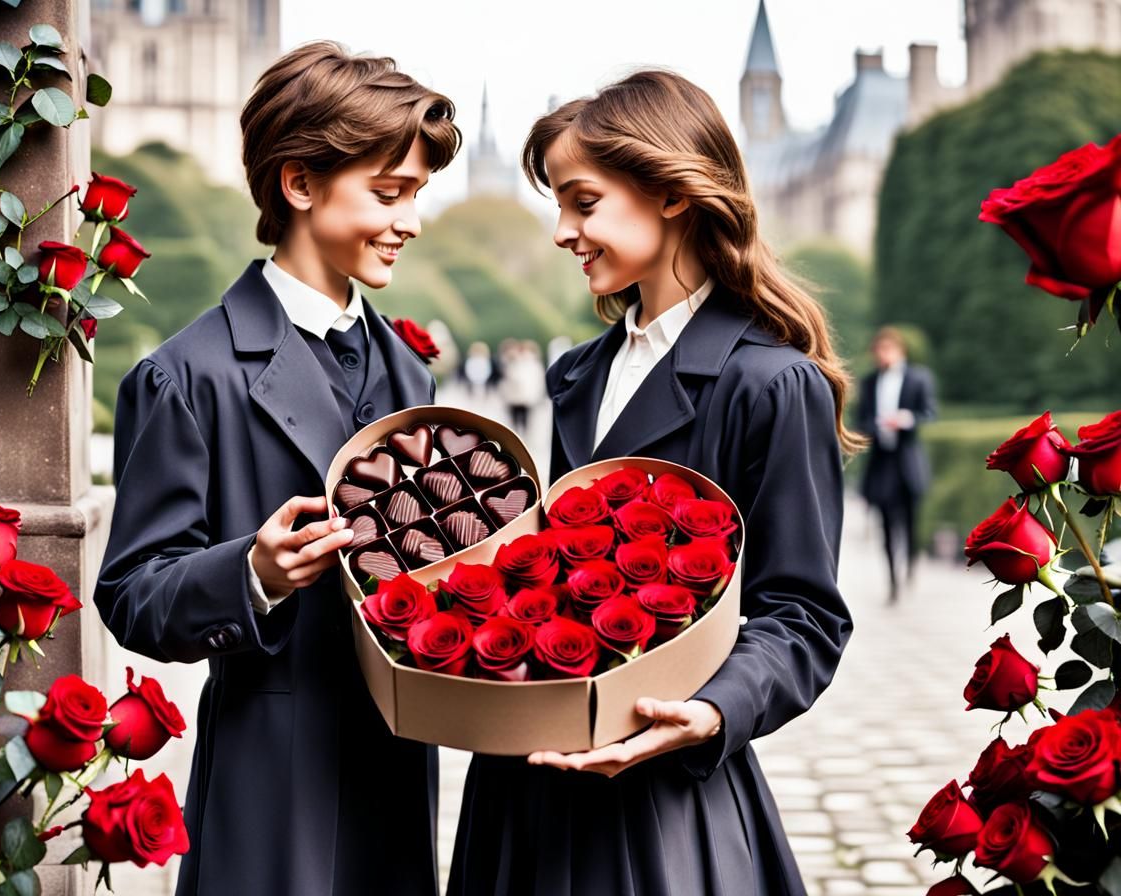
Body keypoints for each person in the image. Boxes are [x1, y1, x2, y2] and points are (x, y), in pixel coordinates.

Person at [449, 70, 856, 896]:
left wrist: (708, 714)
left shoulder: (771, 384)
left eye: (583, 202)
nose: (562, 230)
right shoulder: (576, 374)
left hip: (666, 789)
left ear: (671, 193)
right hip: (527, 778)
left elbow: (804, 614)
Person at [95, 43, 460, 896]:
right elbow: (132, 593)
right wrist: (251, 574)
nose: (409, 220)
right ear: (299, 184)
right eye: (388, 192)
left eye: (418, 196)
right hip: (269, 774)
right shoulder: (185, 374)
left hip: (399, 768)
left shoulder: (412, 376)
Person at [855, 326, 937, 602]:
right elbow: (861, 421)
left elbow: (929, 413)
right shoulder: (868, 382)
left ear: (899, 351)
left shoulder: (918, 378)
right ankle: (892, 579)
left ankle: (911, 565)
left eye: (887, 349)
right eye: (879, 350)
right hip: (882, 463)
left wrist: (906, 419)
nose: (883, 355)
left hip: (908, 460)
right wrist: (877, 426)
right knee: (886, 523)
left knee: (912, 521)